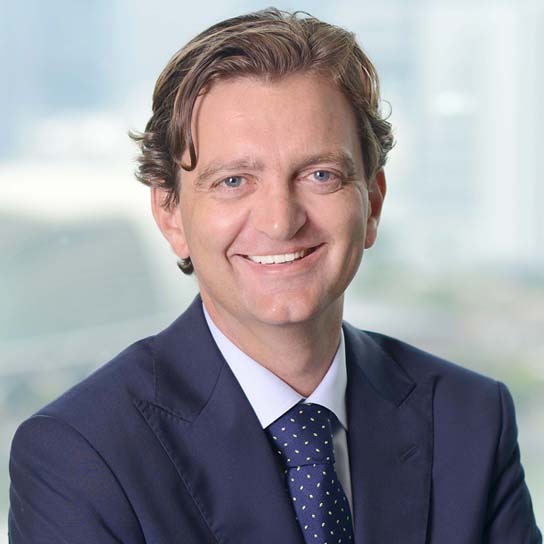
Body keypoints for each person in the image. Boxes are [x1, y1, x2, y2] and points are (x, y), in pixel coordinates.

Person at [8, 8, 541, 544]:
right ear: (171, 214)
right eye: (234, 181)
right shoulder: (80, 455)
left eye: (320, 175)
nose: (281, 221)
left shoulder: (470, 420)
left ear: (373, 203)